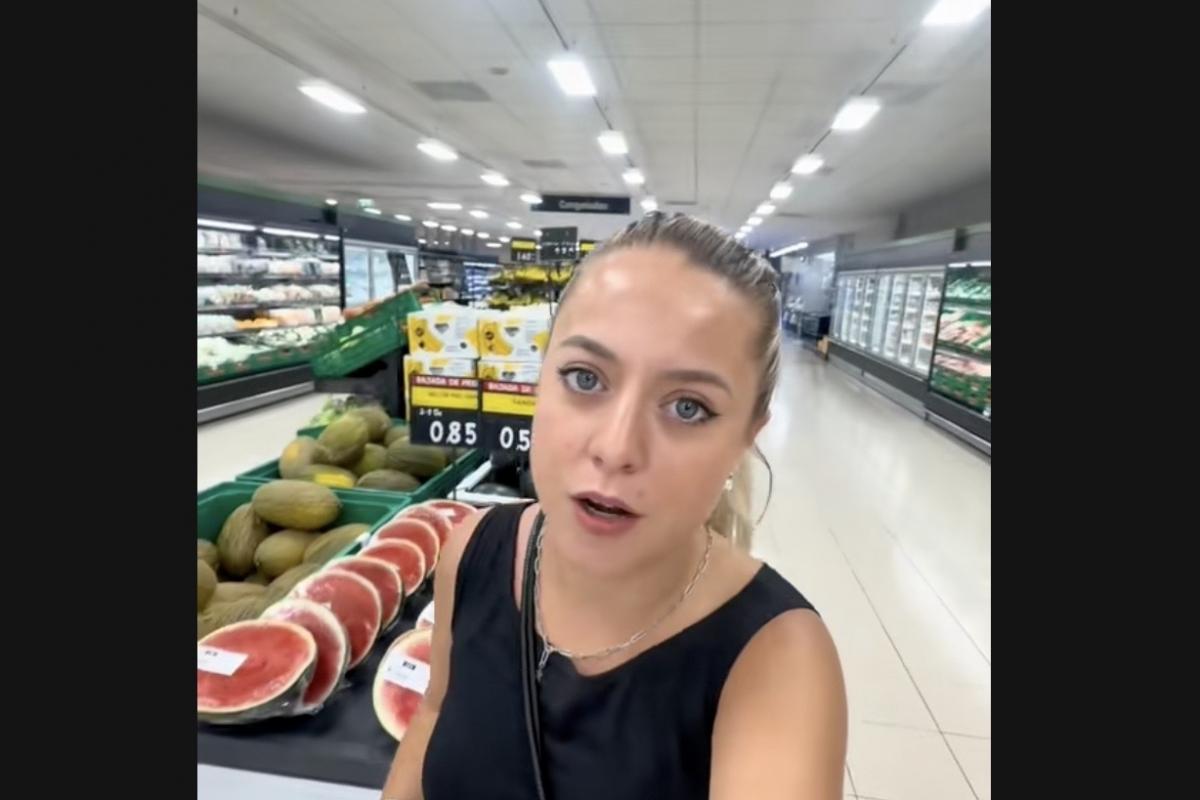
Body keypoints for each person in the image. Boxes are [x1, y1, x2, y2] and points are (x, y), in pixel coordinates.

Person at [381, 214, 847, 799]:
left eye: (688, 408)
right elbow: (432, 716)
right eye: (585, 378)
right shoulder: (472, 551)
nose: (616, 448)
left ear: (746, 437)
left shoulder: (778, 662)